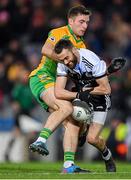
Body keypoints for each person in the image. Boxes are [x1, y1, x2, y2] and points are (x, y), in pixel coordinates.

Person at [29, 5, 91, 173]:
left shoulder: (82, 47)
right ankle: (40, 140)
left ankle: (68, 166)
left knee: (73, 122)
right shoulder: (59, 32)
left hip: (58, 84)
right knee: (66, 107)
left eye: (87, 22)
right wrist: (65, 59)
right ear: (71, 21)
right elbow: (45, 50)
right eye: (81, 21)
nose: (85, 25)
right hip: (42, 77)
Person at [54, 39, 117, 172]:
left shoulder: (91, 60)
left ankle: (107, 156)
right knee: (72, 115)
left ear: (74, 50)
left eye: (67, 57)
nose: (65, 62)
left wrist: (84, 92)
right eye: (62, 60)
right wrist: (79, 95)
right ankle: (82, 129)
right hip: (81, 97)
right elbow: (58, 92)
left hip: (100, 98)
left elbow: (106, 89)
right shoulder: (63, 64)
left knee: (92, 139)